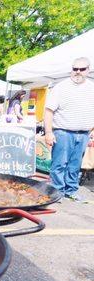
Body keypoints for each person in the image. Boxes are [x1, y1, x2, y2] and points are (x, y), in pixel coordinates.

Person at [44, 57, 94, 201]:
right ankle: (56, 192)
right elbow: (48, 111)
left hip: (84, 133)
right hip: (63, 132)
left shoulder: (92, 88)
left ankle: (71, 190)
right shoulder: (60, 87)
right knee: (59, 164)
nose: (78, 72)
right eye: (75, 69)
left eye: (82, 69)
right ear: (71, 69)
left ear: (88, 70)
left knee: (75, 165)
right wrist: (48, 132)